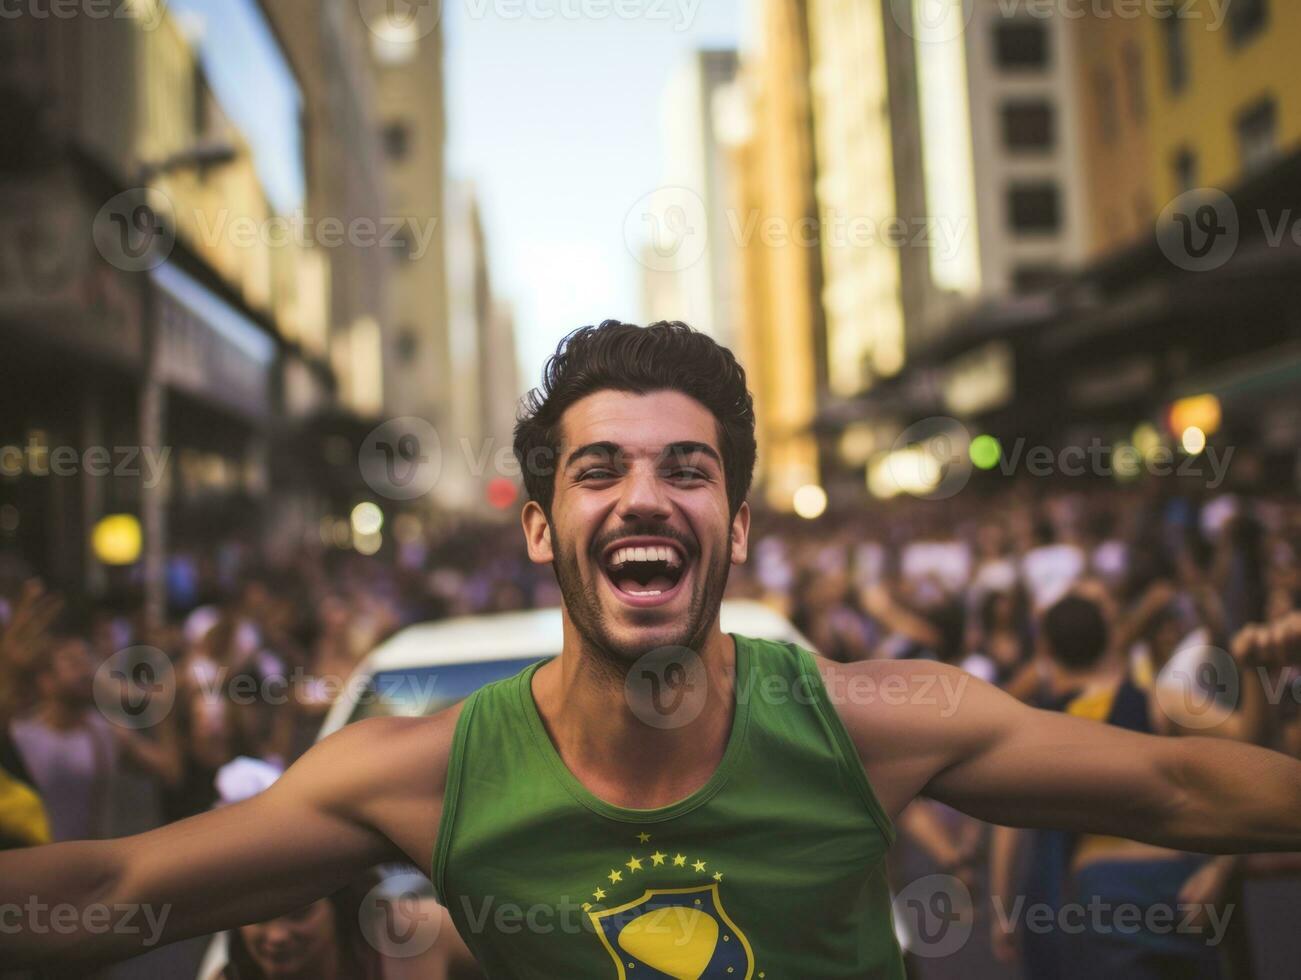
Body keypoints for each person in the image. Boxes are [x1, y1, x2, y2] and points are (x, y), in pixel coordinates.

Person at [3, 321, 1301, 977]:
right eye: (597, 470)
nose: (642, 497)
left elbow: (1174, 786)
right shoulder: (420, 771)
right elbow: (115, 889)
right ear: (536, 526)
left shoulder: (869, 719)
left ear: (732, 529)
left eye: (688, 471)